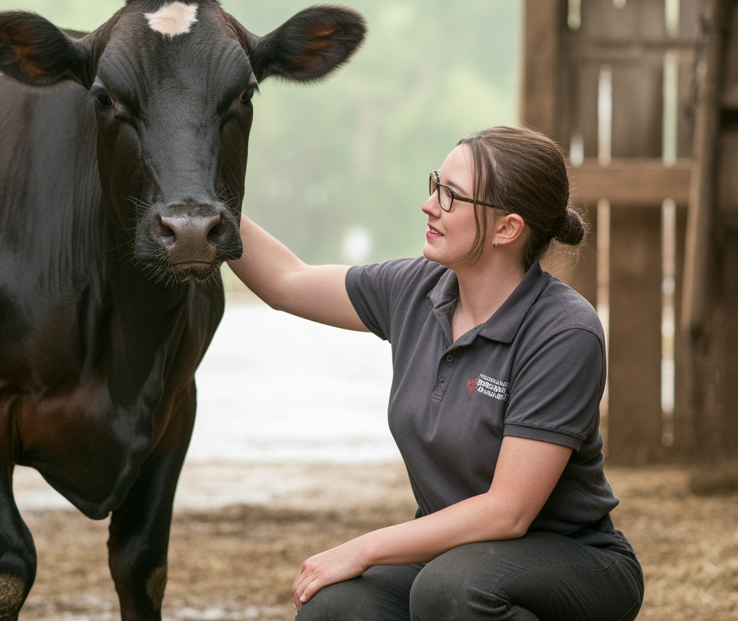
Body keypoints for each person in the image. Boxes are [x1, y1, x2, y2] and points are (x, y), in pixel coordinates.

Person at [228, 125, 644, 620]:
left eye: (451, 196)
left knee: (451, 590)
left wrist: (362, 548)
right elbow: (286, 282)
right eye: (435, 185)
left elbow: (507, 511)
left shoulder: (563, 331)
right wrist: (204, 198)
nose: (430, 205)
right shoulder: (415, 288)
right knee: (334, 607)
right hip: (457, 561)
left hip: (576, 562)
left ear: (507, 229)